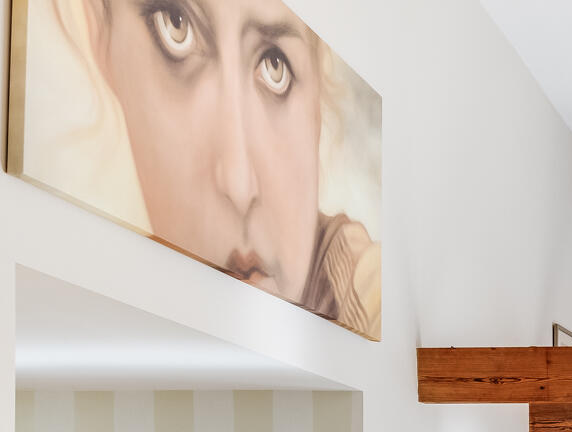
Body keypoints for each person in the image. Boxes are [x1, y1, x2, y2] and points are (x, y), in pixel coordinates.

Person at [53, 0, 381, 337]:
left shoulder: (359, 283)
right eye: (176, 25)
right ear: (100, 34)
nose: (239, 185)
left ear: (316, 113)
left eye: (275, 65)